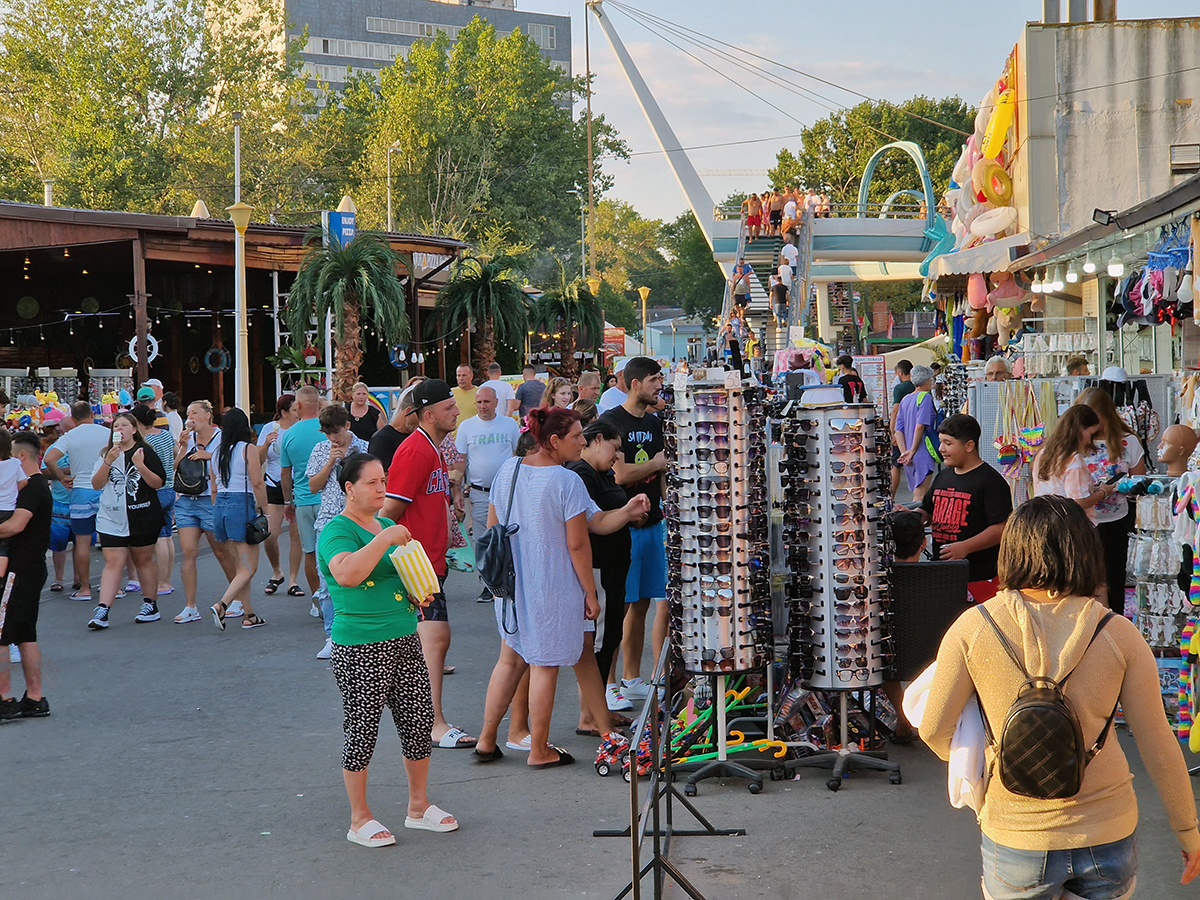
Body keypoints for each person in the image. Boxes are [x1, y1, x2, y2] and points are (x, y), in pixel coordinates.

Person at [918, 495, 1200, 899]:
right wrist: (1188, 831)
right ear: (1084, 551)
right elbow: (1159, 746)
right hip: (1106, 828)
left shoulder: (973, 628)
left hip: (1016, 830)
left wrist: (987, 757)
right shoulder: (1118, 633)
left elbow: (933, 729)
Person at [471, 408, 648, 767]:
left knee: (519, 659)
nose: (584, 442)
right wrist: (589, 592)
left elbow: (493, 526)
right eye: (577, 436)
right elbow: (581, 541)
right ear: (554, 441)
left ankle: (487, 740)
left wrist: (627, 512)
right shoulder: (565, 481)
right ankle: (539, 750)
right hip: (551, 582)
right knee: (546, 663)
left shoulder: (510, 468)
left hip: (512, 582)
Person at [318, 452, 457, 847]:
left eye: (384, 481)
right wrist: (384, 537)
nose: (382, 489)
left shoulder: (384, 523)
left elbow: (399, 572)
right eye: (372, 483)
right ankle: (359, 818)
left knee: (418, 720)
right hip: (360, 644)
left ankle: (418, 807)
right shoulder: (337, 530)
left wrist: (417, 592)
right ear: (349, 488)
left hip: (403, 635)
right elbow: (346, 574)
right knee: (362, 729)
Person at [382, 379, 474, 749]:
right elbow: (389, 513)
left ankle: (426, 720)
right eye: (450, 407)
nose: (456, 411)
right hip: (416, 569)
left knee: (427, 645)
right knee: (435, 641)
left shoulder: (432, 448)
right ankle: (433, 724)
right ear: (429, 414)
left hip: (430, 564)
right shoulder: (416, 451)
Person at [600, 356, 668, 706]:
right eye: (655, 379)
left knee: (641, 603)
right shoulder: (611, 422)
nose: (660, 385)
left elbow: (663, 479)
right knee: (618, 606)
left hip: (653, 524)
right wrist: (656, 462)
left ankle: (631, 678)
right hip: (622, 525)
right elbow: (622, 474)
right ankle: (609, 685)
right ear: (635, 383)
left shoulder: (656, 423)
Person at [565, 418, 639, 716]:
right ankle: (591, 715)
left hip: (613, 567)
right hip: (599, 568)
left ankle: (594, 713)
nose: (617, 456)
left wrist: (629, 513)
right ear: (597, 440)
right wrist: (625, 512)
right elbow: (591, 524)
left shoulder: (602, 473)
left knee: (607, 641)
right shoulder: (581, 475)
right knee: (598, 644)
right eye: (615, 447)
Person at [85, 412, 166, 630]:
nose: (119, 429)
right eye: (116, 426)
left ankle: (150, 604)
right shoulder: (106, 453)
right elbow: (96, 484)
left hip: (142, 514)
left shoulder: (144, 451)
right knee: (113, 563)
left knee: (143, 560)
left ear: (133, 429)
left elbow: (158, 482)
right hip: (111, 516)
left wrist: (140, 465)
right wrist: (108, 461)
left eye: (124, 425)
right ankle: (103, 609)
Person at [920, 414, 1012, 604]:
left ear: (969, 446)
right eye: (941, 442)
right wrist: (912, 517)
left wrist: (965, 547)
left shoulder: (991, 482)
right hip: (943, 575)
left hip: (980, 576)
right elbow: (927, 510)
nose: (941, 449)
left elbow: (1001, 528)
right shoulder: (942, 477)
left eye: (948, 443)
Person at [1076, 387, 1145, 615]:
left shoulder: (1128, 442)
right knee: (1084, 579)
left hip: (1117, 520)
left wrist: (1128, 486)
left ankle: (1114, 625)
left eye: (1095, 418)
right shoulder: (1076, 443)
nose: (1092, 426)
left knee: (1113, 576)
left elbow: (1139, 480)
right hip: (1081, 522)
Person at [307, 405, 369, 657]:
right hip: (328, 521)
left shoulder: (364, 448)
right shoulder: (320, 449)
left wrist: (346, 460)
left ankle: (363, 632)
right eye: (327, 433)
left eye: (336, 432)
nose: (332, 438)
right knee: (328, 580)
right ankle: (332, 636)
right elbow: (312, 486)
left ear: (347, 427)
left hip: (360, 521)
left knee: (364, 576)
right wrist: (330, 462)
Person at [0, 432, 54, 720]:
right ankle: (35, 696)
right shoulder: (34, 485)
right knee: (25, 635)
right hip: (30, 567)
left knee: (1, 635)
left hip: (19, 569)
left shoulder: (32, 487)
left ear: (20, 456)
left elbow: (15, 525)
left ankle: (4, 698)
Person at [172, 400, 237, 623]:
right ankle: (190, 606)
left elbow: (230, 462)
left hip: (210, 499)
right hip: (187, 501)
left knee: (221, 551)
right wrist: (181, 447)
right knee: (188, 552)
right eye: (188, 413)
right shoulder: (187, 438)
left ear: (208, 416)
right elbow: (176, 467)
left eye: (195, 413)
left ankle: (234, 597)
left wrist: (207, 456)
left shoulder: (221, 438)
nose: (190, 417)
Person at [207, 408, 271, 630]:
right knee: (249, 568)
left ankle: (249, 614)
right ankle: (222, 605)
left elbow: (213, 489)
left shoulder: (216, 453)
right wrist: (265, 511)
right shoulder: (248, 450)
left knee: (239, 567)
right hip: (240, 503)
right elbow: (257, 482)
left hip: (220, 507)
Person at [455, 386, 520, 603]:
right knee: (484, 539)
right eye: (479, 402)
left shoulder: (509, 424)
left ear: (495, 403)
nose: (482, 406)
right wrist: (456, 489)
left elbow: (518, 455)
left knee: (509, 534)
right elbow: (460, 461)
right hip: (480, 493)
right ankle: (488, 584)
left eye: (486, 402)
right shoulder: (466, 427)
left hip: (507, 491)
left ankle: (510, 579)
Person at [43, 401, 110, 602]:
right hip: (104, 489)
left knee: (81, 540)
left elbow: (49, 460)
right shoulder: (106, 433)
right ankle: (112, 584)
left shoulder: (71, 436)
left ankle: (85, 587)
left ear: (72, 418)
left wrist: (61, 477)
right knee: (109, 538)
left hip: (80, 490)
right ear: (92, 413)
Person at [280, 385, 325, 615]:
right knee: (332, 548)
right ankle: (331, 597)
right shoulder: (327, 430)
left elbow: (285, 473)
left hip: (304, 499)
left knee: (309, 550)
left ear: (298, 406)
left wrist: (288, 500)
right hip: (328, 499)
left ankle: (316, 595)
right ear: (318, 404)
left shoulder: (289, 435)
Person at [1032, 404, 1117, 522]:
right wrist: (1103, 492)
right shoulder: (1073, 459)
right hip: (1072, 527)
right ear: (1080, 429)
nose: (1089, 441)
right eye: (1090, 434)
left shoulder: (1043, 452)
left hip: (1045, 521)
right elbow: (1078, 502)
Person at [130, 403, 177, 597]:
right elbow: (175, 454)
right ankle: (166, 580)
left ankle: (160, 583)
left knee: (157, 537)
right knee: (167, 536)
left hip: (155, 490)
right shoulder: (165, 435)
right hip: (170, 489)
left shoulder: (145, 442)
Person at [258, 394, 303, 597]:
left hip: (297, 483)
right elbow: (258, 460)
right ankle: (277, 572)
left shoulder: (301, 429)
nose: (298, 413)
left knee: (296, 534)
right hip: (274, 483)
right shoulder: (270, 428)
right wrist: (266, 444)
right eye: (294, 410)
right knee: (270, 535)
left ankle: (292, 580)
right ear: (284, 412)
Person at [895, 365, 939, 502]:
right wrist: (913, 450)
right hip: (922, 451)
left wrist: (904, 453)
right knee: (921, 495)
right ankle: (917, 522)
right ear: (927, 381)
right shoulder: (925, 397)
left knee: (916, 492)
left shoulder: (906, 399)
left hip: (908, 454)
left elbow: (898, 429)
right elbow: (920, 425)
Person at [43, 415, 75, 592]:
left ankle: (80, 579)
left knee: (82, 542)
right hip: (60, 503)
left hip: (80, 501)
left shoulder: (82, 446)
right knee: (58, 544)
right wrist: (64, 472)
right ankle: (59, 578)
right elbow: (44, 471)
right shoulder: (54, 449)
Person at [368, 381, 420, 474]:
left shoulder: (418, 436)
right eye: (421, 416)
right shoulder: (382, 439)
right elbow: (382, 479)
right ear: (409, 411)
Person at [889, 360, 915, 498]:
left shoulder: (899, 388)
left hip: (902, 428)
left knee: (896, 463)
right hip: (916, 427)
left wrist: (892, 432)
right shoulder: (918, 386)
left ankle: (892, 496)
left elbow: (895, 410)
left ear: (900, 372)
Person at [451, 364, 477, 429]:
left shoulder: (479, 393)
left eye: (464, 375)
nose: (461, 378)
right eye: (458, 375)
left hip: (474, 436)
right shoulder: (450, 394)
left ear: (471, 376)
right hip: (454, 437)